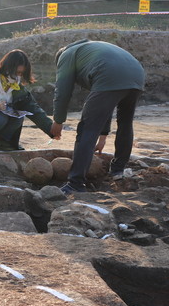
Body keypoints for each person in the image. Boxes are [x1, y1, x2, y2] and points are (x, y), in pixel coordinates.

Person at [50, 39, 145, 195]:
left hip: (110, 73)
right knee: (125, 123)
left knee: (86, 128)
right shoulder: (89, 49)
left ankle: (76, 183)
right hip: (137, 75)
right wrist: (103, 136)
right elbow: (105, 104)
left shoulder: (66, 55)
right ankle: (118, 170)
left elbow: (62, 92)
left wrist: (58, 121)